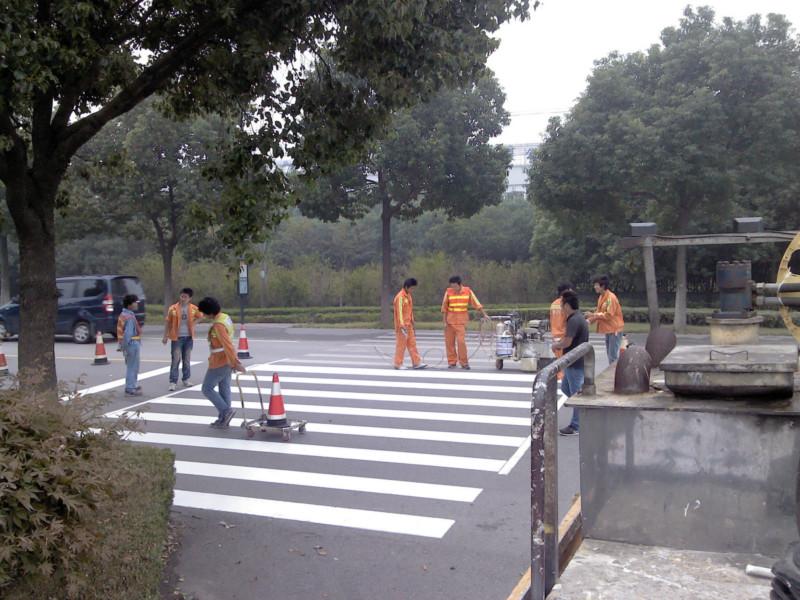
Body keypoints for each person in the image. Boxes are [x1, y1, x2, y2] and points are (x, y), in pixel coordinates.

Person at [197, 296, 246, 428]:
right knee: (224, 388)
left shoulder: (218, 325)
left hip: (220, 361)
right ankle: (224, 418)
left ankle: (226, 411)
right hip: (227, 360)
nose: (204, 315)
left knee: (207, 388)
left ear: (210, 312)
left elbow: (227, 344)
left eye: (204, 312)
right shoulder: (224, 317)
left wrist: (236, 362)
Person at [552, 291, 589, 436]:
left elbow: (568, 341)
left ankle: (576, 425)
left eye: (562, 305)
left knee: (575, 395)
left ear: (567, 305)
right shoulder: (578, 317)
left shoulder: (573, 320)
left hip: (575, 362)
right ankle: (582, 413)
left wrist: (556, 345)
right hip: (573, 362)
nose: (561, 308)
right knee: (567, 389)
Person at [441, 275, 489, 370]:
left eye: (455, 286)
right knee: (449, 343)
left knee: (461, 342)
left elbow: (476, 303)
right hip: (450, 321)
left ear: (459, 284)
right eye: (452, 286)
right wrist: (444, 322)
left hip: (461, 322)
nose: (453, 288)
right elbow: (444, 307)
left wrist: (484, 314)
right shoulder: (448, 292)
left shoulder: (467, 291)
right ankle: (452, 362)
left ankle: (464, 362)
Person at [162, 287, 202, 391]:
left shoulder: (193, 308)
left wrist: (194, 323)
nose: (183, 298)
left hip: (188, 337)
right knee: (176, 359)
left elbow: (201, 316)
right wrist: (165, 336)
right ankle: (173, 381)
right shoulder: (173, 308)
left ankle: (186, 379)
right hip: (177, 337)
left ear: (190, 298)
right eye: (182, 296)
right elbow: (168, 322)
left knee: (187, 359)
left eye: (185, 297)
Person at [585, 275, 625, 364]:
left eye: (596, 285)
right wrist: (589, 320)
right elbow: (598, 312)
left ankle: (615, 376)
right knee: (610, 355)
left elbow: (608, 315)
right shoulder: (601, 297)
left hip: (615, 329)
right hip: (608, 330)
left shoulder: (611, 298)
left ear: (602, 286)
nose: (594, 287)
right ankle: (613, 375)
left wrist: (592, 314)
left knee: (613, 356)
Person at [393, 278, 427, 370]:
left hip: (409, 325)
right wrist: (401, 325)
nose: (412, 290)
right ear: (406, 287)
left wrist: (412, 321)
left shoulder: (408, 296)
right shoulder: (400, 297)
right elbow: (399, 312)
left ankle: (416, 362)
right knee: (401, 345)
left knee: (412, 344)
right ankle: (398, 364)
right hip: (402, 326)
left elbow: (410, 310)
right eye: (412, 288)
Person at [117, 294, 142, 396]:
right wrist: (125, 346)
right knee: (133, 366)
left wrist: (122, 346)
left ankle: (132, 385)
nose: (136, 304)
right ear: (130, 304)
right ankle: (131, 387)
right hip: (132, 343)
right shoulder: (129, 317)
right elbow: (128, 334)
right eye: (135, 302)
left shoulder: (124, 314)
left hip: (128, 344)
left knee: (131, 366)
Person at [549, 282, 574, 364]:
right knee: (565, 363)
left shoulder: (553, 304)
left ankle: (560, 376)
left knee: (558, 363)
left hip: (555, 337)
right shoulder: (565, 304)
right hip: (564, 337)